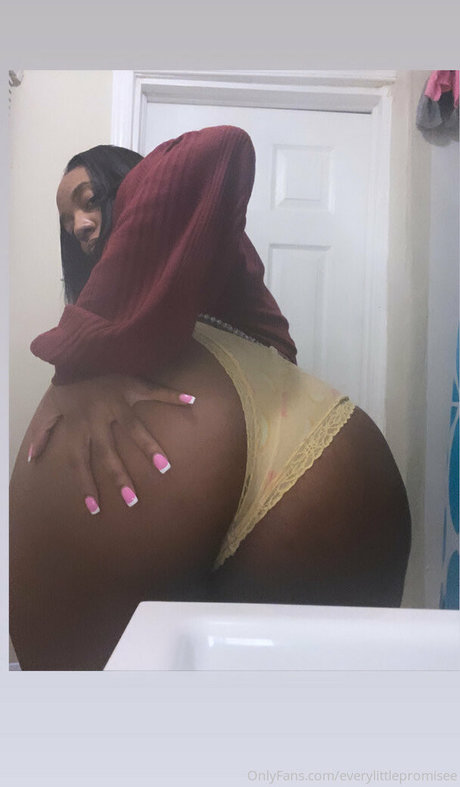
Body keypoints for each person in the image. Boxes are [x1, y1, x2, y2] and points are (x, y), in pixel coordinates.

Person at [9, 125, 411, 670]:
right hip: (328, 460)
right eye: (65, 221)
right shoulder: (120, 323)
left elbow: (222, 144)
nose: (78, 225)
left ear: (131, 186)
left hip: (297, 462)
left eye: (90, 200)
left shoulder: (199, 252)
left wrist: (73, 366)